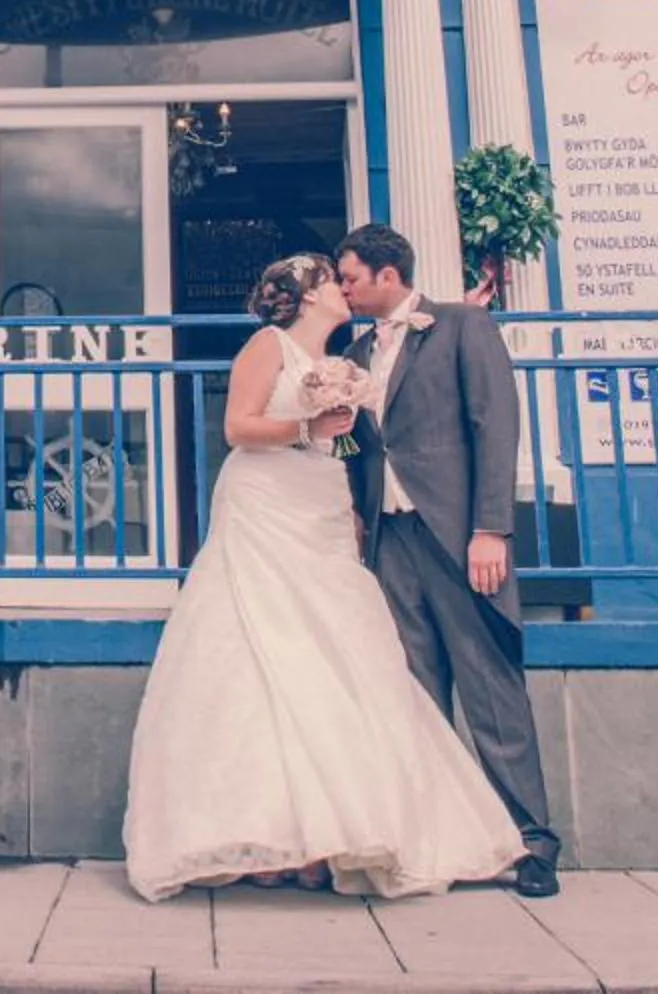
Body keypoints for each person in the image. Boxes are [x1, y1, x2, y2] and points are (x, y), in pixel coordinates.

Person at [121, 253, 526, 902]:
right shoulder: (268, 345)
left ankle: (326, 836)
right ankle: (263, 835)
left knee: (333, 663)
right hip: (264, 509)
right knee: (262, 659)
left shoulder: (348, 361)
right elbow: (238, 428)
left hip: (321, 510)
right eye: (330, 281)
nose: (344, 288)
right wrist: (307, 424)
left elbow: (335, 444)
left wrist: (334, 440)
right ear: (307, 297)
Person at [334, 222, 562, 899]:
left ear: (387, 273)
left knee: (489, 686)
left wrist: (491, 527)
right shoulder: (351, 351)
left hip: (457, 533)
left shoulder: (462, 325)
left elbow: (497, 426)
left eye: (350, 277)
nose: (343, 289)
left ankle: (533, 841)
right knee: (416, 692)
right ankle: (440, 841)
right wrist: (352, 502)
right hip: (389, 539)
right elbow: (357, 444)